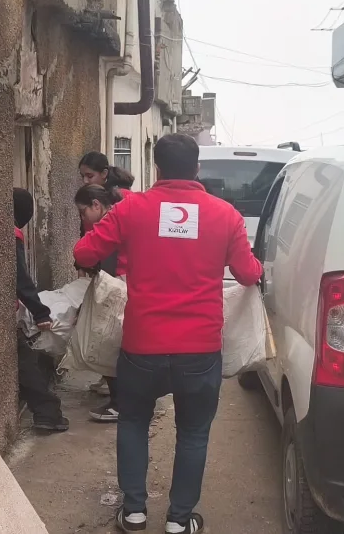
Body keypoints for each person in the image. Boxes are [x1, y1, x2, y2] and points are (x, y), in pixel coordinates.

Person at [73, 134, 263, 534]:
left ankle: (135, 512)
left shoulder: (131, 210)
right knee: (193, 432)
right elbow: (248, 273)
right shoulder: (225, 215)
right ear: (196, 168)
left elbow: (84, 255)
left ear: (156, 167)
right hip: (200, 349)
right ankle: (179, 520)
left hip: (143, 346)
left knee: (133, 423)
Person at [77, 152, 135, 401]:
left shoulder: (118, 207)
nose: (85, 181)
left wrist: (84, 260)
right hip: (123, 275)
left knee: (112, 336)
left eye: (89, 175)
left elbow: (89, 250)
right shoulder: (121, 200)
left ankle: (120, 395)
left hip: (118, 276)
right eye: (82, 176)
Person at [14, 188, 69, 433]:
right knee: (26, 363)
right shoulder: (13, 236)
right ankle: (47, 413)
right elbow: (21, 279)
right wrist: (40, 312)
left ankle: (47, 413)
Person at [74, 184, 127, 423]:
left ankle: (121, 403)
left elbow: (83, 253)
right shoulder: (127, 209)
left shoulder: (113, 219)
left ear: (96, 205)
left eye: (83, 212)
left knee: (110, 343)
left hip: (120, 287)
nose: (83, 218)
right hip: (131, 285)